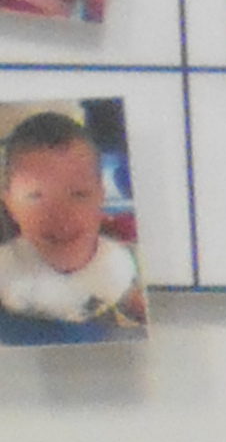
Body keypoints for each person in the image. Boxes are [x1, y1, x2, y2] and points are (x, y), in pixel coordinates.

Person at [0, 103, 148, 340]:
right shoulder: (6, 269)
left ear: (101, 197)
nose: (60, 215)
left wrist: (135, 302)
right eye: (36, 197)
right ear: (9, 204)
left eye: (79, 194)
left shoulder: (118, 267)